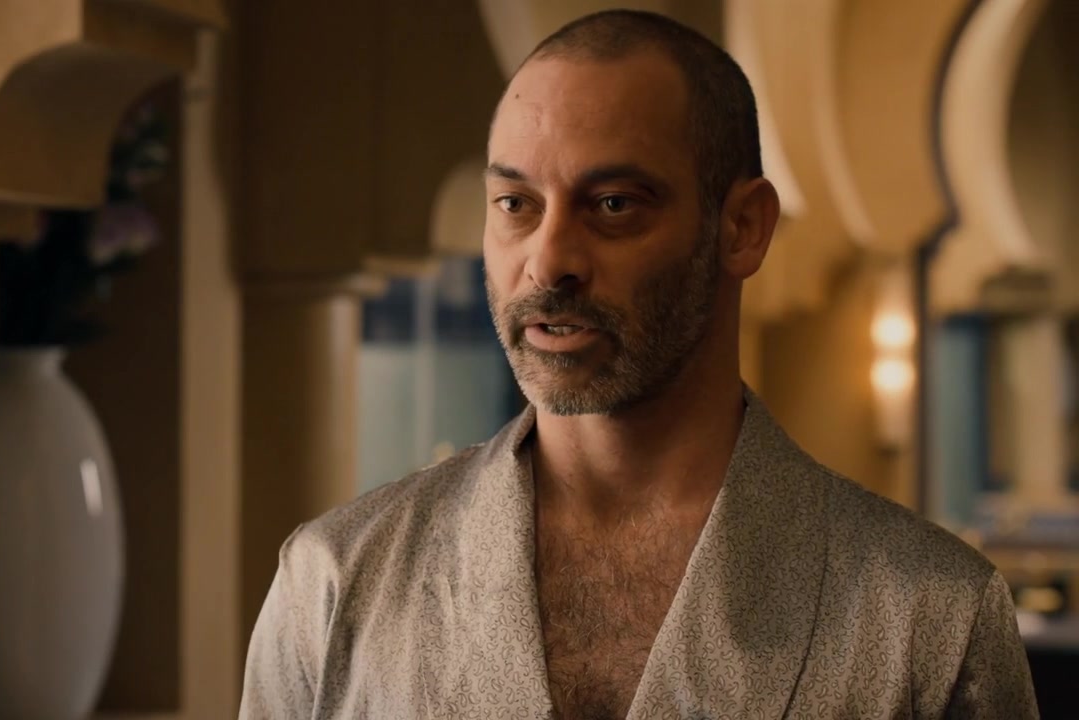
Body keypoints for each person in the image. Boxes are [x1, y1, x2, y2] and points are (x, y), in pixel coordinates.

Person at [240, 9, 1038, 719]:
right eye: (516, 205)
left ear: (743, 228)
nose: (548, 261)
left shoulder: (932, 619)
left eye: (613, 205)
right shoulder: (334, 582)